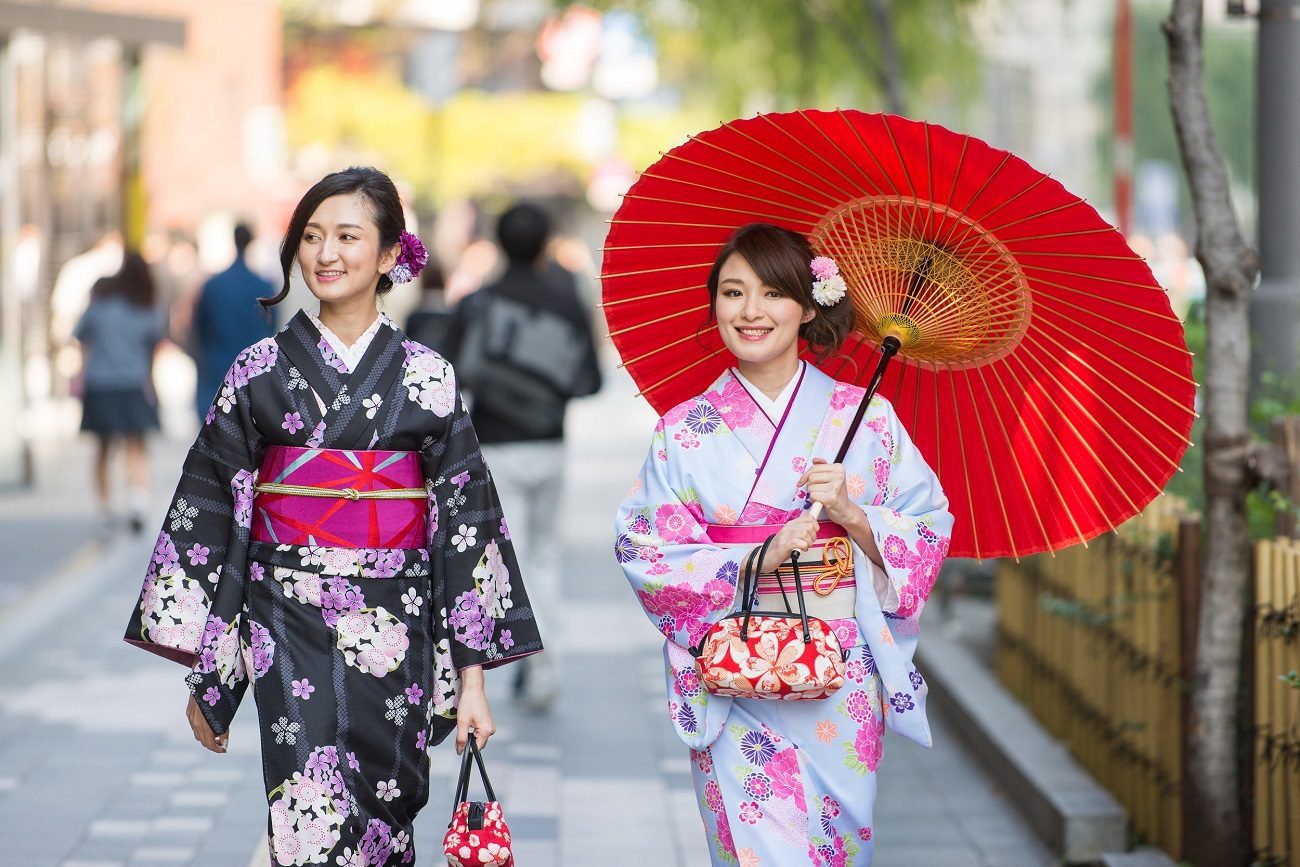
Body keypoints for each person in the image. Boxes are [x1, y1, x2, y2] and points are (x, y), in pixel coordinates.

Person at [124, 166, 541, 867]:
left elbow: (466, 528)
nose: (325, 253)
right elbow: (210, 512)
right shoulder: (257, 370)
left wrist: (471, 680)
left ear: (388, 255)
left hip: (398, 617)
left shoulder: (428, 376)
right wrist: (211, 665)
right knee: (305, 807)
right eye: (312, 236)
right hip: (287, 615)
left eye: (348, 236)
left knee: (390, 806)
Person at [614, 223, 953, 865]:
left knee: (834, 845)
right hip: (733, 665)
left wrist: (854, 515)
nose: (750, 311)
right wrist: (758, 555)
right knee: (754, 850)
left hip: (837, 671)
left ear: (806, 306)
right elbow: (643, 547)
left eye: (772, 294)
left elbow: (928, 523)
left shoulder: (868, 418)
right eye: (733, 292)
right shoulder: (684, 430)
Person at [444, 202, 602, 712]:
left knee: (500, 561)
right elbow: (590, 381)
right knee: (544, 557)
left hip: (495, 447)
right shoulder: (567, 302)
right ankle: (542, 672)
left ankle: (504, 665)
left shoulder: (479, 302)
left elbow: (450, 374)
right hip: (550, 445)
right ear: (544, 245)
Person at [73, 251, 167, 535]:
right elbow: (155, 348)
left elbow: (82, 338)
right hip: (133, 383)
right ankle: (138, 502)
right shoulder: (147, 309)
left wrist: (80, 374)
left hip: (100, 383)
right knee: (136, 445)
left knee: (102, 449)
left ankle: (104, 509)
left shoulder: (100, 304)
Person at [190, 222, 276, 422]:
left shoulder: (213, 284)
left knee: (212, 421)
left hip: (216, 359)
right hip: (253, 364)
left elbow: (200, 326)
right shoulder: (263, 285)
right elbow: (271, 326)